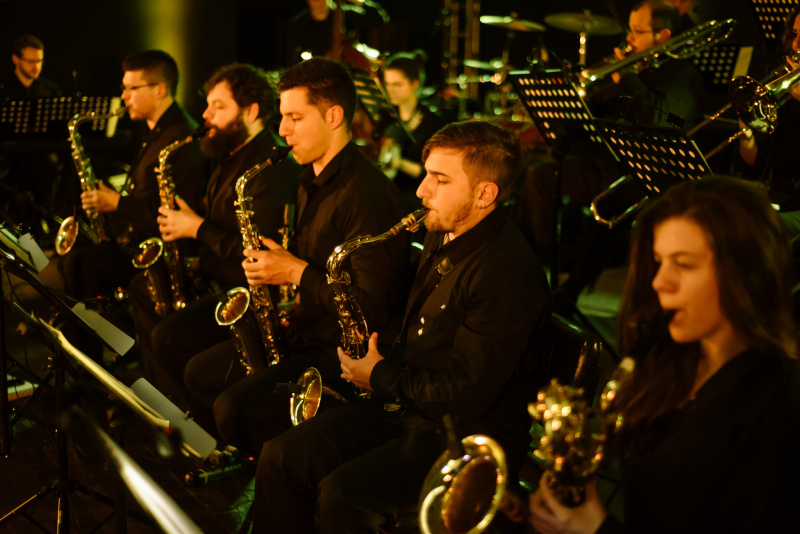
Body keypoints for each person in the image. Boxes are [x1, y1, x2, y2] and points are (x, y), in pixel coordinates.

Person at [253, 120, 551, 533]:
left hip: (466, 437)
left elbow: (466, 396)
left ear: (485, 194)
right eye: (427, 174)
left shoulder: (505, 274)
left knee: (343, 497)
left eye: (439, 180)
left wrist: (379, 375)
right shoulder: (445, 230)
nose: (420, 190)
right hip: (410, 406)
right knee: (280, 457)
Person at [529, 176, 800, 533]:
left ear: (746, 274)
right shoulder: (668, 361)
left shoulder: (780, 411)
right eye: (658, 261)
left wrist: (598, 529)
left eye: (684, 265)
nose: (659, 282)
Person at [181, 57, 408, 446]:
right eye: (282, 117)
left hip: (339, 356)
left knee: (233, 410)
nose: (282, 129)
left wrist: (293, 272)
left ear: (334, 116)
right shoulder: (309, 178)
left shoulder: (368, 197)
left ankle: (279, 468)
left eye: (295, 118)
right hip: (302, 330)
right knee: (197, 372)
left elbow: (370, 309)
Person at [129, 63, 300, 424]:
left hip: (245, 294)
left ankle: (211, 430)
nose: (205, 115)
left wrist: (197, 227)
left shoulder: (270, 165)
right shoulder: (229, 154)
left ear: (251, 111)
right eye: (207, 105)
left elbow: (260, 253)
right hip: (216, 279)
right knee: (149, 307)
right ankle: (182, 412)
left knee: (169, 340)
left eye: (218, 107)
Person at [515, 0, 705, 301]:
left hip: (651, 173)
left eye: (637, 31)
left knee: (610, 205)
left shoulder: (682, 74)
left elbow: (657, 118)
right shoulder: (635, 70)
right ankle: (530, 270)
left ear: (664, 36)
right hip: (613, 162)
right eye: (629, 30)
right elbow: (598, 112)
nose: (628, 39)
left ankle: (571, 289)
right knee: (539, 178)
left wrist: (625, 75)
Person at [57, 50, 209, 361]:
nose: (123, 97)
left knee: (81, 264)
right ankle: (113, 344)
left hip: (163, 255)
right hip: (140, 241)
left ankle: (89, 361)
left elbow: (176, 216)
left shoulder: (181, 139)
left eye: (131, 88)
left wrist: (117, 203)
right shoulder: (155, 132)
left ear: (160, 90)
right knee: (76, 260)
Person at [735, 5, 800, 233]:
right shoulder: (788, 93)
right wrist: (747, 133)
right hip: (779, 200)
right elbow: (755, 163)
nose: (796, 45)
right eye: (794, 34)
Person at [379, 50, 447, 211]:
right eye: (387, 84)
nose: (390, 90)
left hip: (417, 194)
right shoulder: (386, 117)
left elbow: (435, 173)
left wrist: (399, 164)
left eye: (397, 85)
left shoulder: (431, 120)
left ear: (414, 83)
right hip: (389, 189)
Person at [286, 0, 389, 68]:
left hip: (348, 68)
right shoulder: (299, 23)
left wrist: (359, 1)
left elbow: (377, 19)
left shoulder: (344, 13)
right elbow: (295, 53)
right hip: (316, 71)